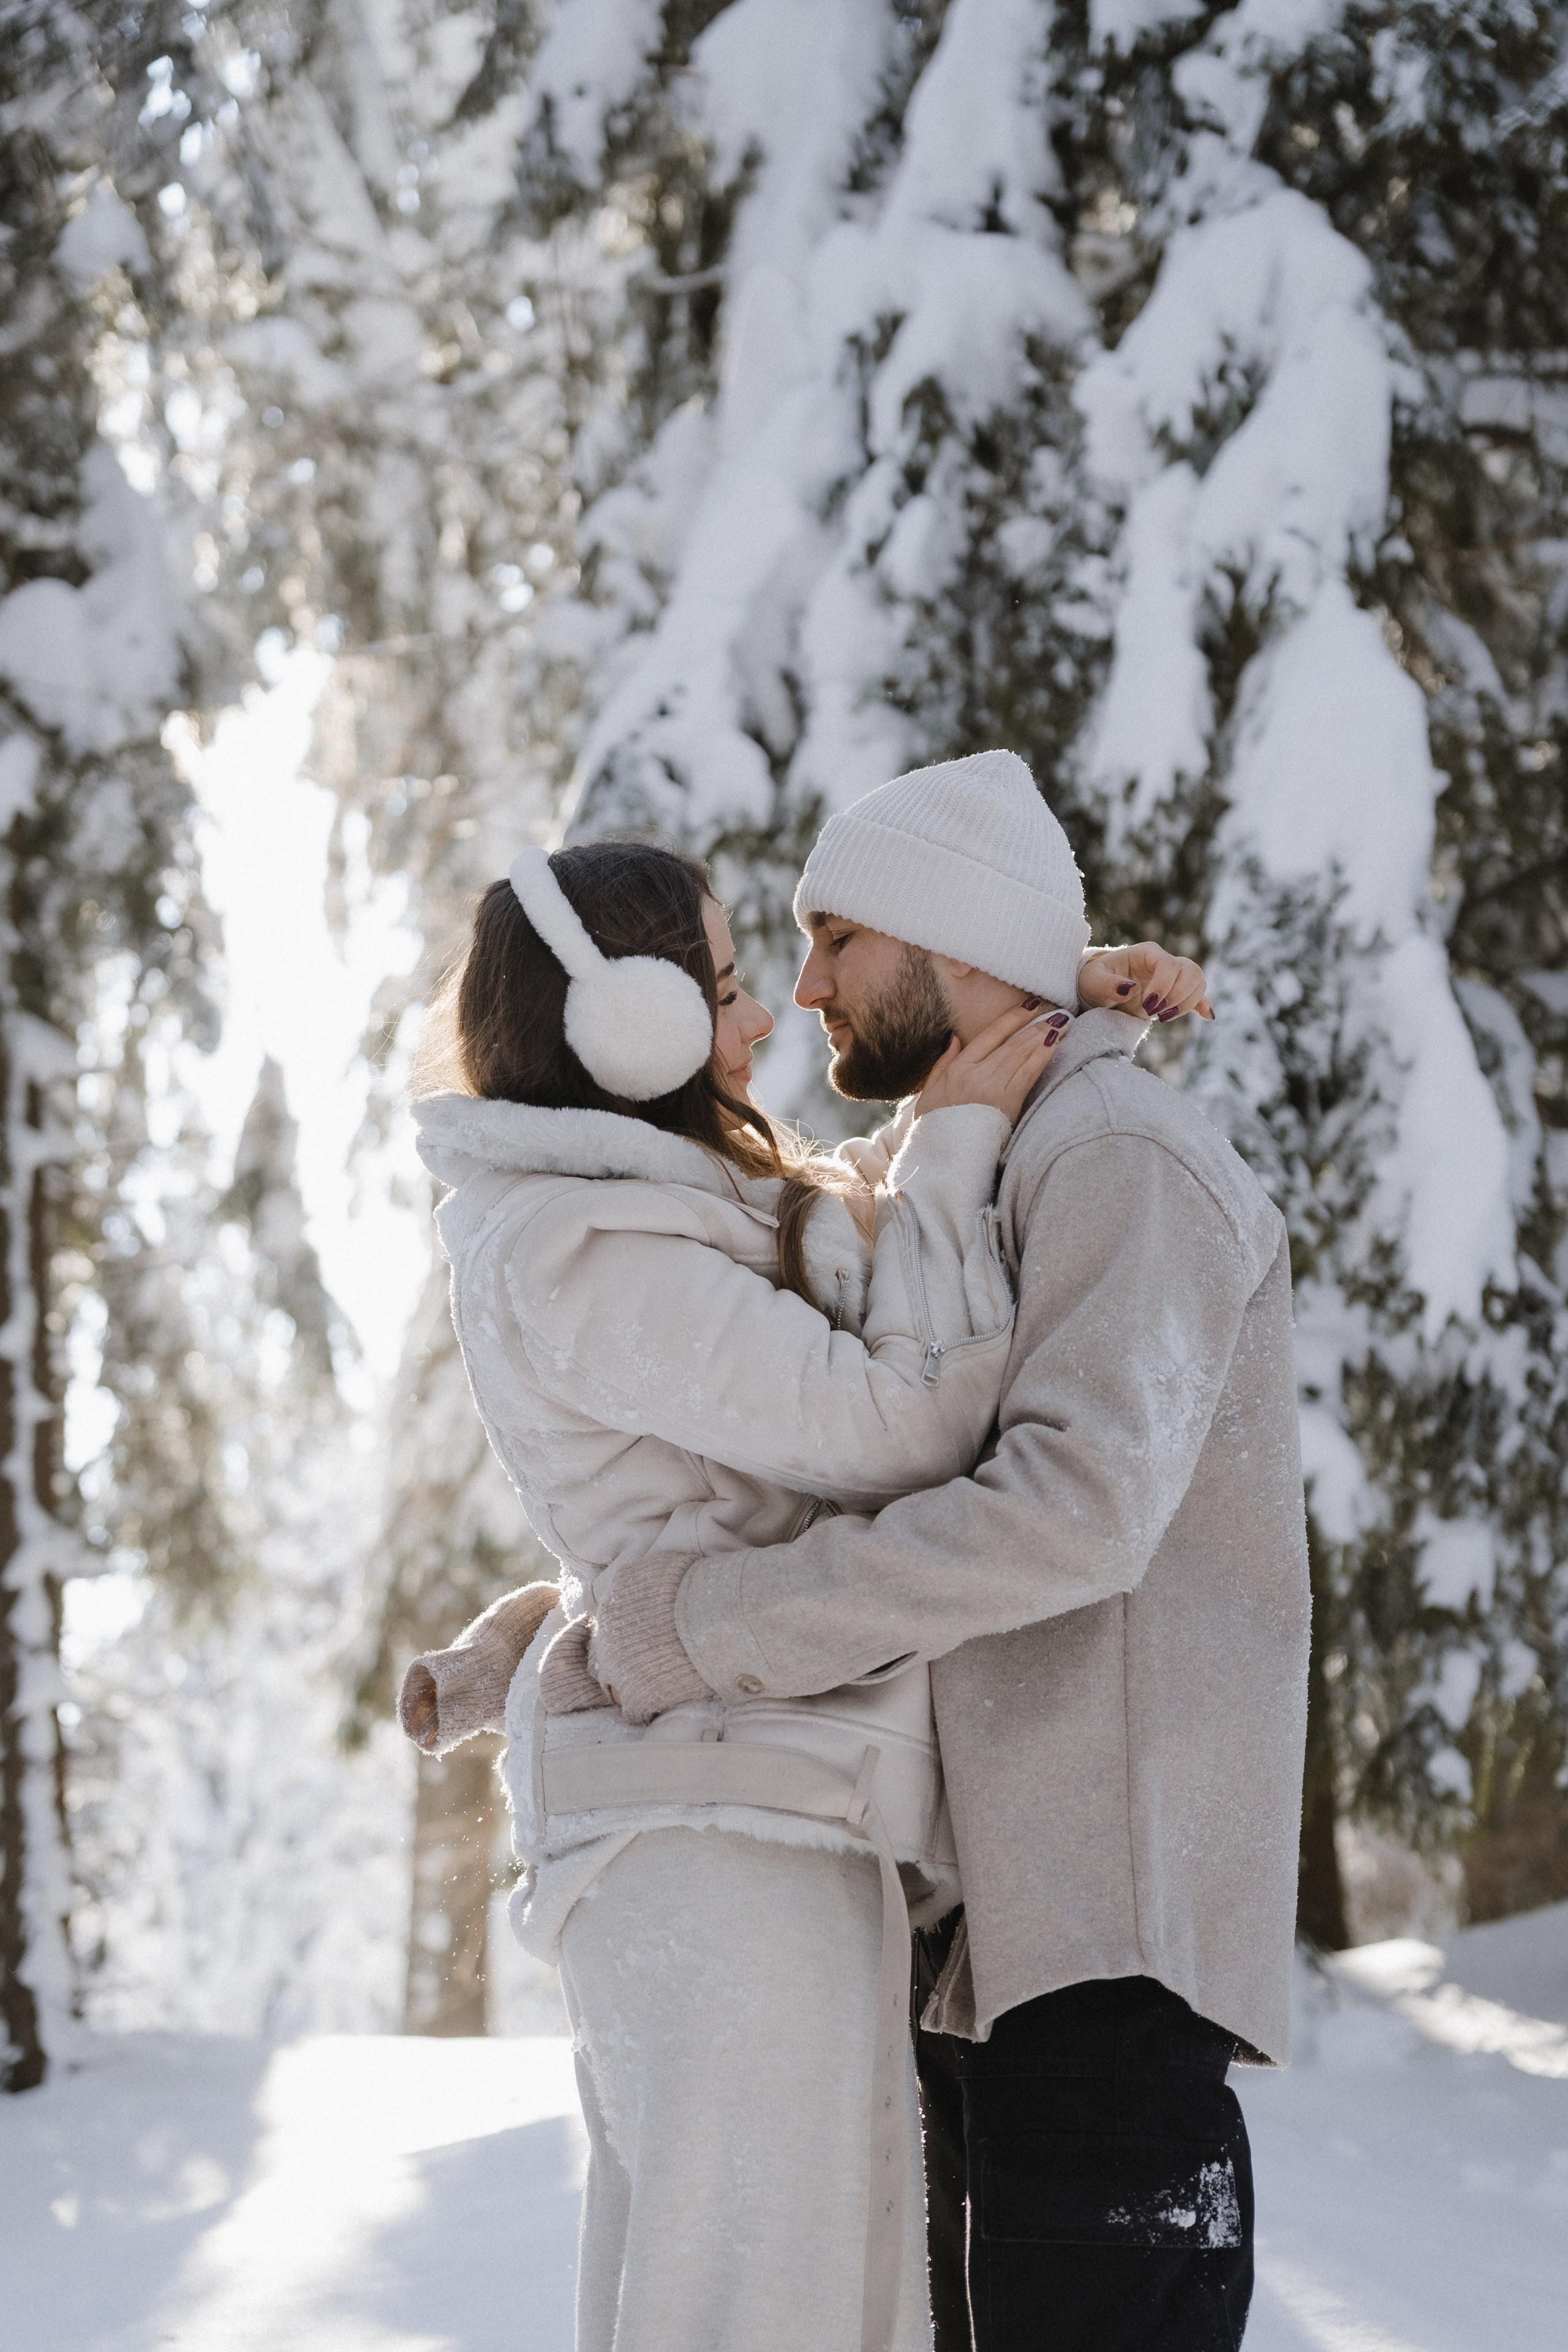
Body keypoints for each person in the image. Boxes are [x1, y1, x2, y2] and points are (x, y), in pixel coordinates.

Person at [397, 814, 1211, 2352]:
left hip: (756, 1814)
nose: (764, 1010)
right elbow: (894, 1424)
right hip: (710, 1838)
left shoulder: (642, 1204)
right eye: (716, 989)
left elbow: (840, 1239)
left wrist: (1028, 1007)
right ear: (622, 1028)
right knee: (759, 2313)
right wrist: (966, 1128)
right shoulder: (584, 1248)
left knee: (800, 2306)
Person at [576, 750, 1313, 2352]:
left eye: (839, 938)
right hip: (1003, 1973)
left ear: (956, 949)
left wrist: (715, 1625)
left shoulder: (1115, 1152)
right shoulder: (994, 1149)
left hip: (1103, 1984)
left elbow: (1077, 1509)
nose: (807, 983)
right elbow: (823, 1329)